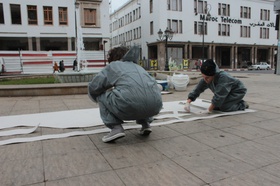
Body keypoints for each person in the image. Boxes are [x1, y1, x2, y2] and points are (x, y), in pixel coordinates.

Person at [88, 46, 162, 143]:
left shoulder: (114, 66)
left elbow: (95, 85)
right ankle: (145, 124)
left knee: (101, 96)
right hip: (155, 106)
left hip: (129, 107)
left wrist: (94, 96)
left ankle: (116, 128)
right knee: (142, 93)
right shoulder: (138, 67)